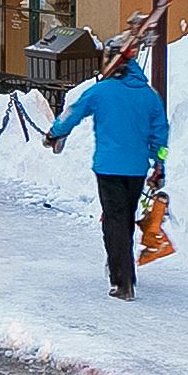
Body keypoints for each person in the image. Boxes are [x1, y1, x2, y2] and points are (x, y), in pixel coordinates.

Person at [43, 50, 170, 300]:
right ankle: (128, 275)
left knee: (114, 221)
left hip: (108, 167)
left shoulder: (102, 91)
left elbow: (73, 112)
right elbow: (161, 134)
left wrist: (53, 133)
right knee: (126, 219)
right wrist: (159, 164)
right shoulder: (149, 95)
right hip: (136, 169)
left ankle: (121, 281)